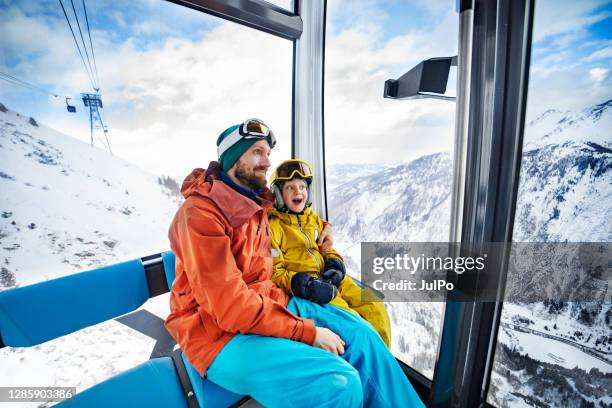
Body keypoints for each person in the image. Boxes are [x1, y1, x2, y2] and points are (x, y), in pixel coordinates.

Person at [165, 119, 425, 408]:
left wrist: (327, 236)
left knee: (363, 337)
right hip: (215, 334)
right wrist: (308, 332)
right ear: (232, 158)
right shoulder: (200, 215)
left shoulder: (252, 202)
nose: (266, 162)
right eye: (257, 152)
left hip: (267, 301)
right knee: (338, 385)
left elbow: (301, 221)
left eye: (267, 153)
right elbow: (230, 307)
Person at [268, 159, 392, 347]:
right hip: (312, 288)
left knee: (375, 305)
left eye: (302, 186)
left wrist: (335, 264)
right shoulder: (274, 227)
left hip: (329, 278)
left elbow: (327, 249)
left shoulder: (313, 219)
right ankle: (367, 357)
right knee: (355, 322)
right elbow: (274, 272)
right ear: (278, 194)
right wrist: (305, 285)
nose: (298, 191)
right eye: (290, 188)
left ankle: (382, 359)